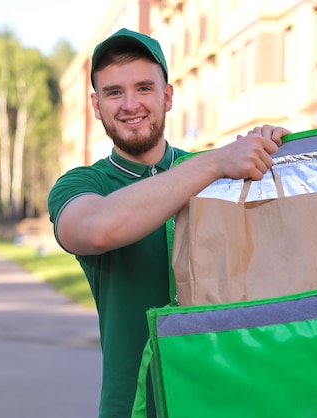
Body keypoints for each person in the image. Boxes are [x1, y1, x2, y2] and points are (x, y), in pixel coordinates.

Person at [47, 28, 290, 418]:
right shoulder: (82, 184)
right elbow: (96, 228)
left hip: (230, 402)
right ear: (96, 105)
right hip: (134, 407)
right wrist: (212, 163)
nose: (130, 104)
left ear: (168, 96)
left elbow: (285, 259)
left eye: (144, 88)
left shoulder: (225, 174)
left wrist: (277, 153)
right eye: (114, 92)